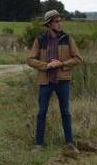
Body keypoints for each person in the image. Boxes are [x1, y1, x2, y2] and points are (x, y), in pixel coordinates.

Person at [26, 9, 83, 151]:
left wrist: (62, 64)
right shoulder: (40, 39)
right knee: (41, 112)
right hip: (45, 82)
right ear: (49, 24)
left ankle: (69, 143)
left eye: (60, 20)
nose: (60, 23)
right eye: (56, 21)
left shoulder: (67, 38)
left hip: (63, 81)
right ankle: (39, 144)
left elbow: (78, 58)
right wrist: (46, 66)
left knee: (65, 112)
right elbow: (30, 60)